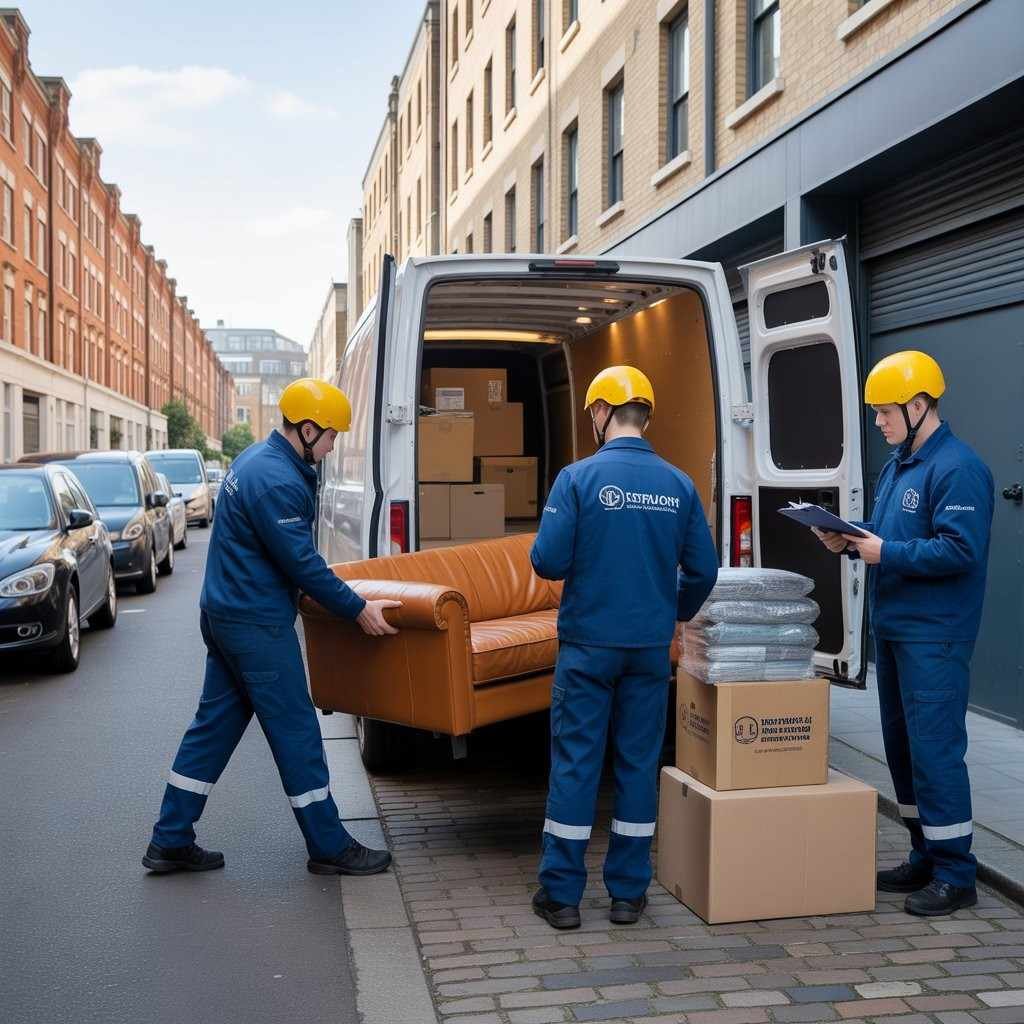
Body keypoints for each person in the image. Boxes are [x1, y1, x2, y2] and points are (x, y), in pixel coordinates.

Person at [143, 379, 400, 877]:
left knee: (212, 730)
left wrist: (355, 596)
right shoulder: (278, 480)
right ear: (306, 429)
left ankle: (170, 838)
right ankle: (329, 845)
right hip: (254, 626)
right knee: (299, 733)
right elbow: (301, 564)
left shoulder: (257, 462)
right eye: (329, 436)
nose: (332, 446)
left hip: (226, 616)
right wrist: (358, 609)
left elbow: (291, 563)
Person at [529, 365, 719, 930]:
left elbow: (548, 561)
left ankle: (561, 896)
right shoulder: (679, 483)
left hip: (588, 646)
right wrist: (675, 613)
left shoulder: (576, 479)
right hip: (646, 650)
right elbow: (703, 569)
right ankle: (627, 895)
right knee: (637, 766)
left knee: (576, 764)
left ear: (600, 412)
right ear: (646, 416)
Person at [814, 351, 993, 916]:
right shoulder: (899, 465)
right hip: (894, 630)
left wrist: (884, 551)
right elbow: (891, 534)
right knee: (902, 750)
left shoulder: (958, 468)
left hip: (934, 636)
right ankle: (925, 854)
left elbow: (960, 550)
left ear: (918, 406)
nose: (878, 421)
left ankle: (956, 873)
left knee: (936, 752)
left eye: (886, 411)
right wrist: (849, 538)